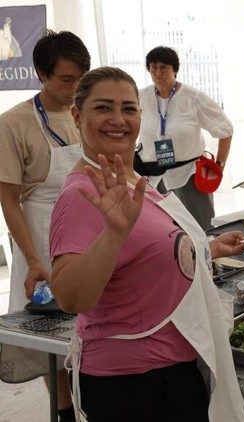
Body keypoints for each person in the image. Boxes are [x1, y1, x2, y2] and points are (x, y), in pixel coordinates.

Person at [49, 67, 244, 422]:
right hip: (132, 385)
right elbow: (70, 298)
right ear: (77, 115)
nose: (118, 120)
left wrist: (211, 247)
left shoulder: (132, 178)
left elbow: (150, 251)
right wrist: (113, 234)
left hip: (173, 371)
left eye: (128, 109)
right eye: (103, 108)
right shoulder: (81, 194)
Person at [0, 29, 90, 421]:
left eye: (80, 79)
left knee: (88, 326)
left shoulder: (86, 111)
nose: (75, 88)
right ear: (40, 73)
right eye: (66, 80)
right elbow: (8, 198)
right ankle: (64, 408)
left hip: (86, 225)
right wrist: (34, 259)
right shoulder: (14, 123)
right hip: (37, 231)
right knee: (49, 338)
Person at [137, 46, 233, 229]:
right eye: (153, 67)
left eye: (163, 67)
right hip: (154, 177)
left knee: (201, 228)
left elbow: (225, 130)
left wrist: (219, 167)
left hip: (189, 176)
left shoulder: (192, 97)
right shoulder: (141, 97)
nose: (157, 72)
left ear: (175, 69)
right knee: (164, 232)